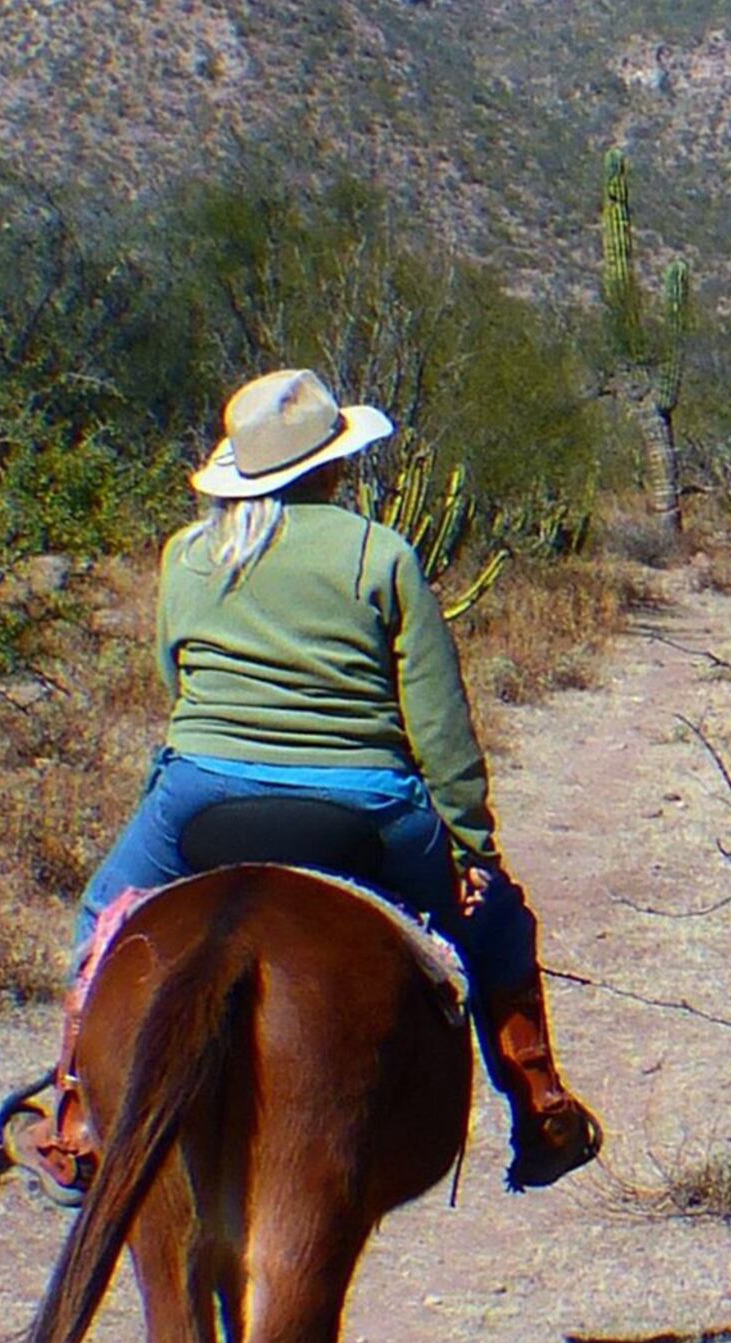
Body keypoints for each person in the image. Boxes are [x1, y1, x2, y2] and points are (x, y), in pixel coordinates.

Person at [34, 368, 595, 1192]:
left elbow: (174, 679)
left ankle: (78, 1118)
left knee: (102, 916)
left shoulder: (188, 554)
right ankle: (539, 1106)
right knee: (496, 920)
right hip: (362, 804)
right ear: (334, 463)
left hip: (202, 798)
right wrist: (472, 846)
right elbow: (439, 724)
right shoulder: (381, 553)